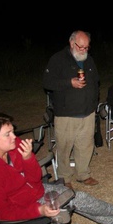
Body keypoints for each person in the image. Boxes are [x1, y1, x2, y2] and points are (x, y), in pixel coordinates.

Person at [43, 30, 100, 189]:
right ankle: (64, 178)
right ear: (71, 43)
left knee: (85, 145)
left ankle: (83, 174)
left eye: (87, 47)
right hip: (66, 113)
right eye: (81, 47)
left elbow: (96, 82)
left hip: (87, 112)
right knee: (64, 146)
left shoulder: (89, 61)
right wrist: (69, 83)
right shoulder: (58, 59)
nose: (84, 50)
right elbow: (47, 82)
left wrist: (94, 104)